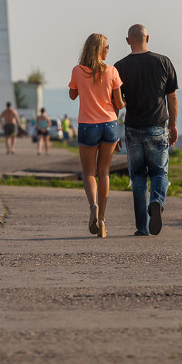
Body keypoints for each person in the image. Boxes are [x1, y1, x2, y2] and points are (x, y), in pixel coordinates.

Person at [114, 24, 178, 237]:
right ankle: (157, 202)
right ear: (147, 38)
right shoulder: (163, 62)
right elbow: (172, 98)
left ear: (127, 40)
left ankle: (142, 227)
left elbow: (115, 103)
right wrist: (174, 125)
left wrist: (115, 132)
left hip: (132, 127)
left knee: (138, 177)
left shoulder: (119, 67)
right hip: (158, 126)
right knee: (160, 172)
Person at [69, 33, 124, 238]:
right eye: (107, 46)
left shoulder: (77, 70)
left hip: (87, 125)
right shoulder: (112, 71)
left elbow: (73, 94)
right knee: (104, 173)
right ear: (99, 49)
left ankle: (93, 206)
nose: (109, 49)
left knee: (89, 173)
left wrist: (83, 88)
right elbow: (119, 104)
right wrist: (124, 101)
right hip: (109, 124)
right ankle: (102, 221)